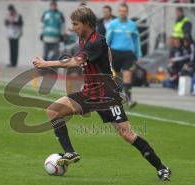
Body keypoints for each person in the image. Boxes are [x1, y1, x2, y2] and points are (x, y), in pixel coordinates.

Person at [33, 6, 171, 181]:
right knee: (53, 110)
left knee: (127, 135)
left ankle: (162, 168)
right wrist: (108, 66)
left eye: (76, 24)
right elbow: (106, 53)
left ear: (87, 24)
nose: (72, 28)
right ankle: (70, 152)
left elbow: (76, 61)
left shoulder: (96, 40)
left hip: (106, 96)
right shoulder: (83, 40)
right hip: (89, 93)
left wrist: (46, 64)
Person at [106, 3, 141, 108]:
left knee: (127, 75)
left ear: (127, 12)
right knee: (114, 77)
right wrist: (106, 53)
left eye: (124, 11)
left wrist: (138, 54)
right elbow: (107, 40)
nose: (122, 13)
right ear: (118, 12)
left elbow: (136, 40)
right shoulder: (113, 24)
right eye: (121, 11)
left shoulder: (132, 25)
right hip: (115, 53)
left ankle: (129, 99)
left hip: (127, 54)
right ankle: (115, 98)